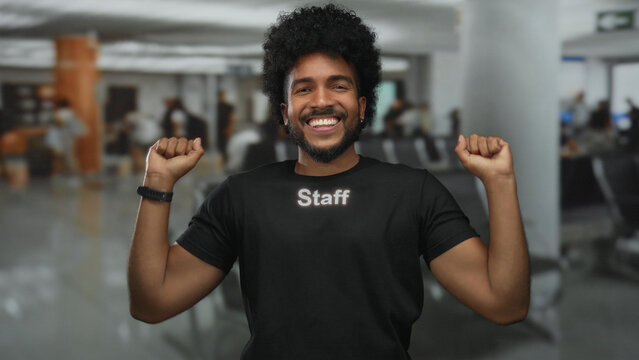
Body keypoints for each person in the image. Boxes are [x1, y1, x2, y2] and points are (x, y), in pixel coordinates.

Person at [128, 5, 529, 359]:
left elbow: (505, 304)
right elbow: (152, 303)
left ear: (363, 105)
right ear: (285, 113)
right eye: (304, 89)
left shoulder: (414, 191)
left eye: (339, 85)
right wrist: (157, 185)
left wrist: (501, 183)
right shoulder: (242, 195)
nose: (321, 101)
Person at [216, 91, 236, 162]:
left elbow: (232, 117)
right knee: (220, 145)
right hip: (218, 128)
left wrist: (229, 127)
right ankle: (223, 160)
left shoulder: (228, 106)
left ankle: (227, 160)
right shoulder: (216, 106)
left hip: (226, 127)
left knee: (226, 145)